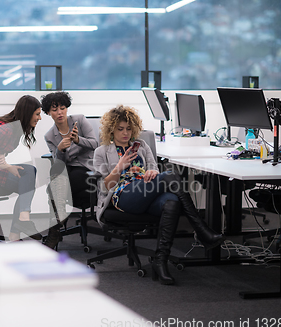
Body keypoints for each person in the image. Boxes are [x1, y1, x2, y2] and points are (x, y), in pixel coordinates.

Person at [93, 105, 224, 285]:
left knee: (171, 202)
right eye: (120, 129)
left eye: (129, 129)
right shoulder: (101, 152)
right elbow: (106, 186)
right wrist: (120, 166)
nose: (125, 133)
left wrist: (151, 174)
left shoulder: (143, 146)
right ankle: (201, 229)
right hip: (121, 195)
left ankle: (160, 261)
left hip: (146, 191)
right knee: (171, 175)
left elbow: (153, 169)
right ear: (111, 129)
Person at [0, 95, 42, 241]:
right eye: (37, 114)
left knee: (27, 176)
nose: (39, 118)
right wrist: (6, 166)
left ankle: (19, 227)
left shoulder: (14, 128)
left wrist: (4, 164)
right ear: (28, 113)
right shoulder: (6, 129)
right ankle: (19, 227)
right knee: (28, 175)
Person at [42, 91, 98, 248]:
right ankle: (58, 223)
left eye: (62, 108)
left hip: (88, 169)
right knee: (57, 176)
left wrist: (78, 140)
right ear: (48, 113)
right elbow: (59, 163)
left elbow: (95, 144)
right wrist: (60, 150)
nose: (59, 112)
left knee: (52, 187)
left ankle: (55, 230)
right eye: (54, 109)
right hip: (68, 171)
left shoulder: (79, 120)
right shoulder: (50, 136)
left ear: (67, 108)